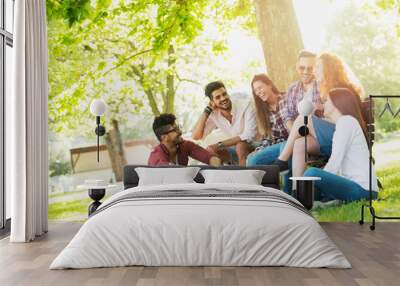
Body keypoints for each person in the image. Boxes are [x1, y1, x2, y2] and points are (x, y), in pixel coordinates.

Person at [273, 52, 365, 174]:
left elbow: (346, 122)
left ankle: (281, 160)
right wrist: (320, 108)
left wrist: (319, 110)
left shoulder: (340, 89)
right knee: (299, 144)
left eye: (317, 67)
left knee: (304, 118)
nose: (314, 71)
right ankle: (298, 189)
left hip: (342, 138)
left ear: (328, 69)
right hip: (333, 136)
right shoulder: (327, 89)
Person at [303, 88, 378, 202]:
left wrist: (321, 178)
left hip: (363, 190)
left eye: (327, 100)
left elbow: (335, 161)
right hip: (359, 188)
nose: (324, 103)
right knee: (311, 179)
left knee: (311, 173)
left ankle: (308, 198)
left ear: (336, 103)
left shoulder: (346, 122)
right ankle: (313, 199)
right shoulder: (345, 122)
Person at [192, 81, 257, 166]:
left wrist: (220, 144)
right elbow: (196, 136)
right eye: (218, 97)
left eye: (224, 94)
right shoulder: (214, 114)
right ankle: (223, 177)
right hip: (235, 150)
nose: (223, 98)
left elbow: (249, 135)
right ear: (212, 101)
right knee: (210, 150)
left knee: (240, 146)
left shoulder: (245, 105)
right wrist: (206, 111)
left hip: (255, 146)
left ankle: (243, 176)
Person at [246, 74, 289, 166]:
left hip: (292, 141)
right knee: (251, 159)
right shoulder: (263, 111)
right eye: (256, 91)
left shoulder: (287, 98)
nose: (258, 92)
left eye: (260, 88)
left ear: (269, 85)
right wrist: (258, 150)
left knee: (254, 161)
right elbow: (268, 138)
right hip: (277, 144)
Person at [148, 113, 221, 166]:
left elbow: (210, 157)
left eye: (178, 128)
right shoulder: (156, 156)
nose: (180, 132)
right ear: (164, 137)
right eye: (175, 129)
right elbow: (168, 174)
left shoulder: (184, 145)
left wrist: (215, 164)